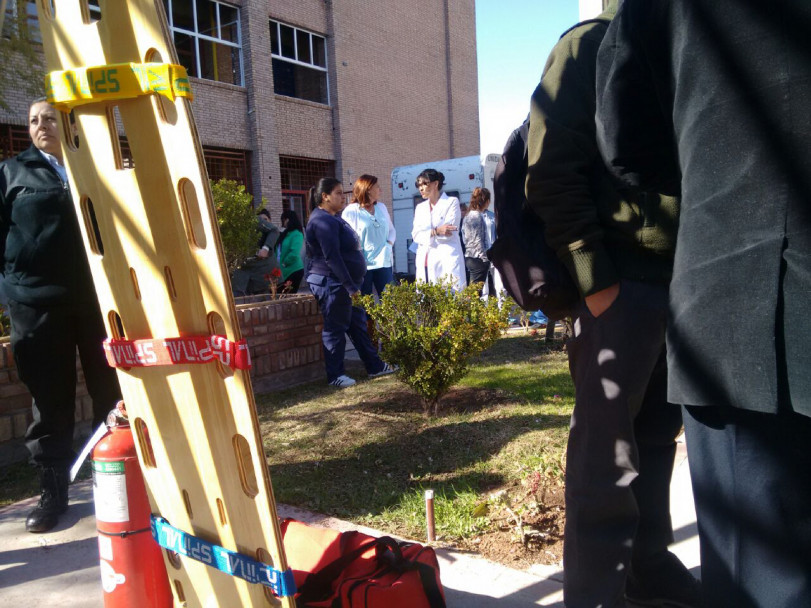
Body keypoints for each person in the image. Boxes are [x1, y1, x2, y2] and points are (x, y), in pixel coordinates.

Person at [595, 2, 811, 606]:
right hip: (737, 310)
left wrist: (715, 156)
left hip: (733, 293)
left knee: (754, 578)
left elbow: (624, 138)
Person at [524, 4, 700, 607]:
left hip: (687, 284)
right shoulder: (591, 43)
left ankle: (647, 571)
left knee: (655, 442)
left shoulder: (686, 42)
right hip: (621, 288)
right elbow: (549, 168)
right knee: (607, 460)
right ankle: (596, 596)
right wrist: (596, 281)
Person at [0, 98, 122, 533]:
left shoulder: (92, 167)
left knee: (111, 392)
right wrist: (10, 291)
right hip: (36, 305)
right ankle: (54, 493)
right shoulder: (13, 172)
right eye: (33, 120)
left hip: (96, 301)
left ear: (66, 123)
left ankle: (114, 482)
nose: (41, 126)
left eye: (49, 118)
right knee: (50, 402)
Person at [304, 178, 397, 387]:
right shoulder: (321, 221)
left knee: (357, 324)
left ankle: (374, 365)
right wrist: (350, 286)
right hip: (332, 282)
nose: (342, 197)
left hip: (345, 283)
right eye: (337, 193)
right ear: (325, 196)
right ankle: (335, 375)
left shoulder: (334, 217)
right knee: (335, 327)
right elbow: (332, 257)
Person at [411, 169, 466, 289]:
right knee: (427, 299)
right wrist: (436, 231)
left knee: (453, 295)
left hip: (447, 256)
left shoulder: (452, 202)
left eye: (424, 184)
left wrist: (427, 233)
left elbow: (448, 231)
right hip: (425, 259)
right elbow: (416, 235)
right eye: (419, 185)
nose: (421, 188)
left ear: (436, 184)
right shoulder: (420, 208)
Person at [341, 174, 395, 298]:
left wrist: (389, 245)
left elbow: (392, 231)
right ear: (368, 189)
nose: (380, 190)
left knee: (389, 303)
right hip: (363, 265)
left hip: (383, 263)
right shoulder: (351, 211)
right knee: (365, 303)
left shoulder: (381, 207)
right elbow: (348, 239)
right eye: (377, 187)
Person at [231, 208, 281, 296]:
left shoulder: (253, 220)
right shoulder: (223, 225)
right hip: (242, 275)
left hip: (263, 273)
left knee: (265, 303)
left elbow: (274, 230)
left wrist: (265, 248)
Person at [460, 187, 494, 296]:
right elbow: (478, 239)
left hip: (469, 256)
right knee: (474, 293)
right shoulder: (477, 216)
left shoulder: (467, 216)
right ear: (486, 201)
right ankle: (468, 312)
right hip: (478, 258)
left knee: (474, 290)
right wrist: (485, 258)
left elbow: (464, 237)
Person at [277, 209, 304, 293]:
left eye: (283, 220)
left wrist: (285, 263)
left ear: (287, 220)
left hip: (293, 270)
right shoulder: (286, 233)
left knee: (287, 297)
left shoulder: (297, 234)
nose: (282, 223)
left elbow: (294, 253)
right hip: (284, 270)